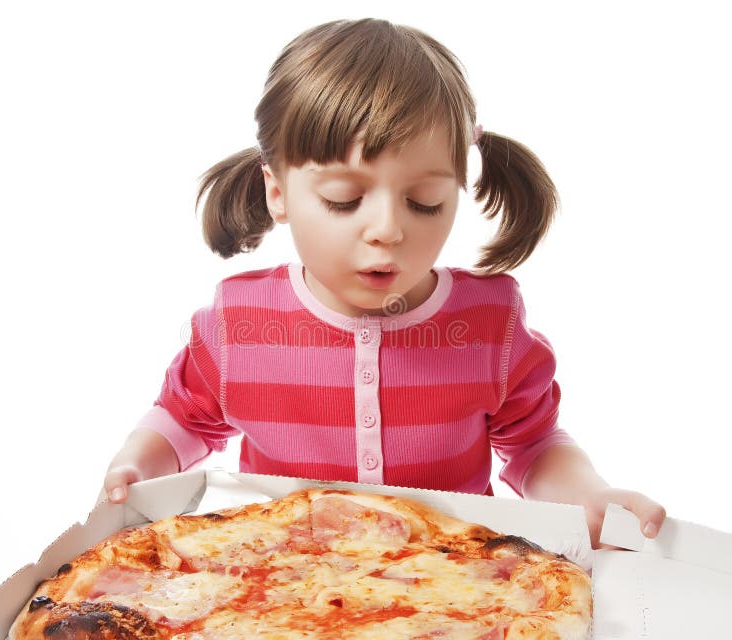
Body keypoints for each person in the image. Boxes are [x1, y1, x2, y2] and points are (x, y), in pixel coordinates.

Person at [103, 18, 665, 548]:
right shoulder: (240, 323)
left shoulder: (489, 326)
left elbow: (534, 444)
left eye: (425, 202)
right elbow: (182, 419)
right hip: (282, 580)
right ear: (278, 192)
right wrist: (138, 463)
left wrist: (587, 497)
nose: (388, 230)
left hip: (456, 581)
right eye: (343, 200)